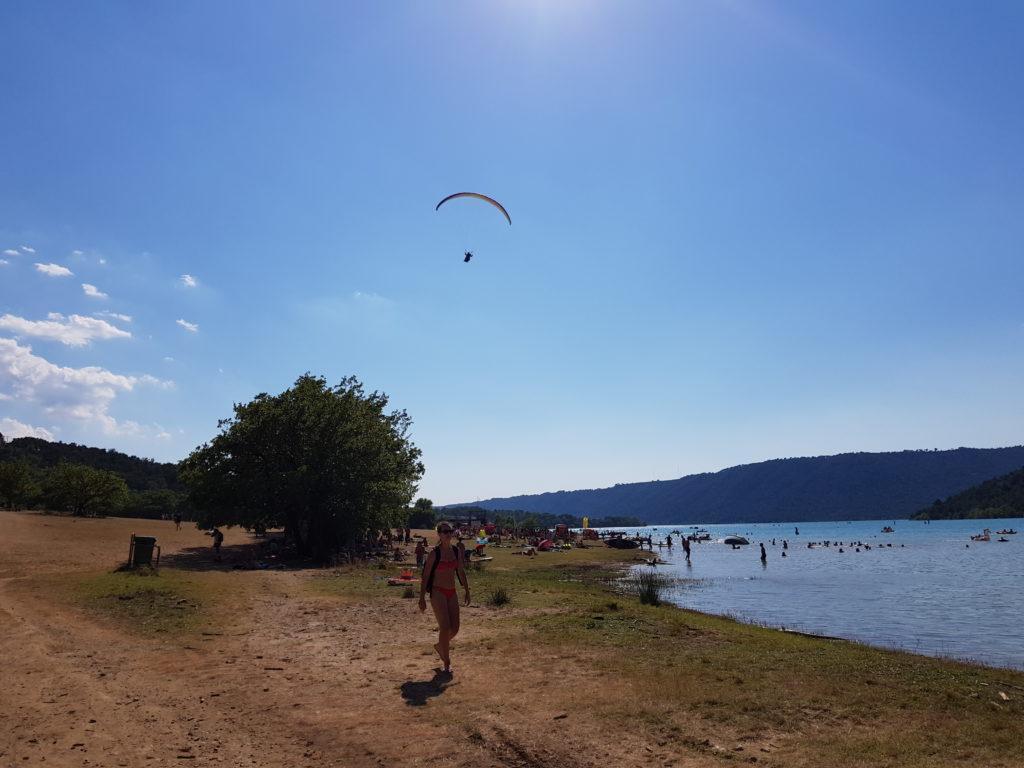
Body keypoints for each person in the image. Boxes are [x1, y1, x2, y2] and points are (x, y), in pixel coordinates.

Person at [419, 522, 470, 674]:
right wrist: (421, 598)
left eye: (450, 531)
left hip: (452, 591)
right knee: (445, 627)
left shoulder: (455, 551)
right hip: (438, 592)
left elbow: (460, 571)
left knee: (455, 628)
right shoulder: (435, 553)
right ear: (439, 534)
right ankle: (446, 662)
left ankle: (441, 645)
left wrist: (467, 590)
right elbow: (426, 575)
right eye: (445, 531)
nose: (449, 533)